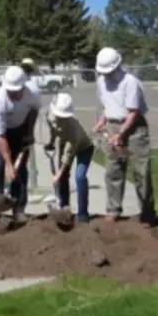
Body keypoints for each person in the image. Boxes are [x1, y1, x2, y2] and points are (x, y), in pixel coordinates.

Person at [92, 47, 156, 226]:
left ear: (117, 65)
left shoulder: (130, 82)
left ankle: (147, 212)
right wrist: (102, 122)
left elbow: (133, 112)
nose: (106, 74)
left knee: (141, 172)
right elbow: (108, 105)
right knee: (113, 170)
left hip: (134, 129)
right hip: (113, 126)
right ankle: (113, 210)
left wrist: (121, 134)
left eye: (109, 71)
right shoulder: (101, 82)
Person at [0, 66, 40, 222]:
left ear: (23, 86)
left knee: (21, 170)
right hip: (1, 131)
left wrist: (29, 133)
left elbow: (34, 111)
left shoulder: (33, 92)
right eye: (10, 91)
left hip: (21, 127)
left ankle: (18, 208)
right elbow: (0, 137)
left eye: (16, 91)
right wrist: (9, 164)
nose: (13, 94)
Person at [46, 92, 95, 223]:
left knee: (79, 176)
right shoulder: (49, 115)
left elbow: (67, 156)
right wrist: (50, 143)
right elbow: (53, 130)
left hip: (84, 147)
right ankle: (64, 208)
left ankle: (83, 215)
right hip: (65, 143)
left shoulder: (73, 128)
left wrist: (58, 174)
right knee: (62, 179)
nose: (60, 118)